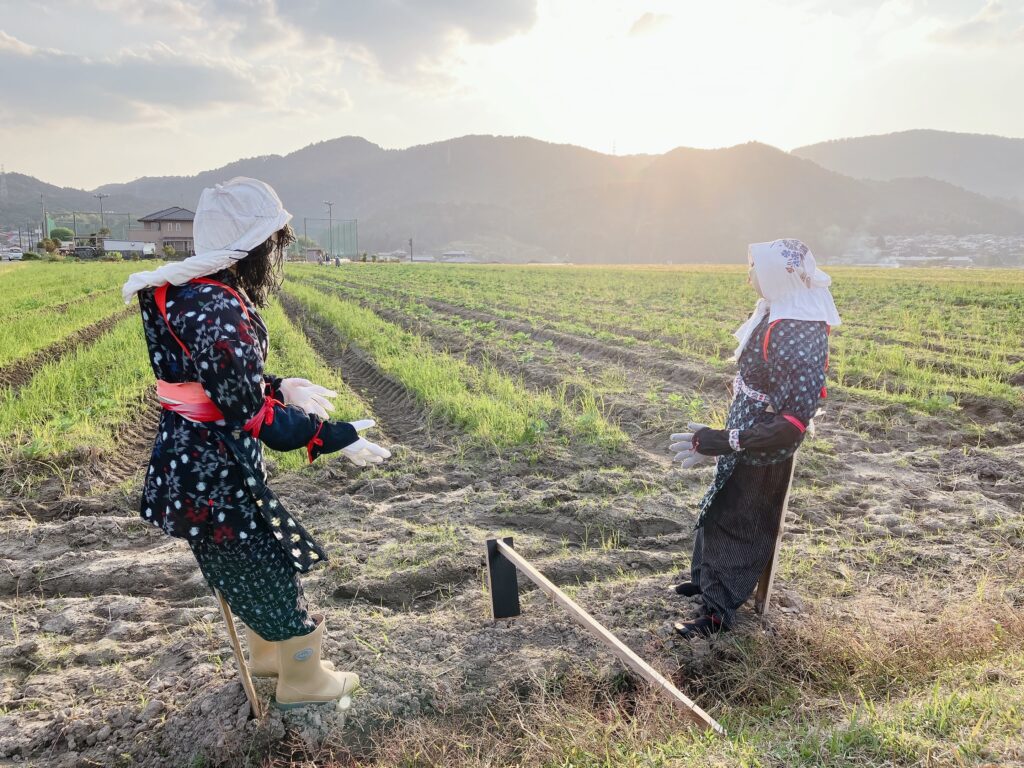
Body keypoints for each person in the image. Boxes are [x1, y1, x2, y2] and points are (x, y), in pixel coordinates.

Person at [122, 177, 390, 706]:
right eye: (273, 244)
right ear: (251, 246)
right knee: (266, 565)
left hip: (191, 463)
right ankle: (304, 683)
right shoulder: (217, 306)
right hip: (217, 471)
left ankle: (268, 656)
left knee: (240, 565)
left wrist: (279, 384)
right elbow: (247, 412)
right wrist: (330, 436)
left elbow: (212, 382)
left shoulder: (182, 293)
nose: (275, 256)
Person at [669, 239, 840, 638]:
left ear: (776, 276)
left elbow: (791, 422)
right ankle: (706, 582)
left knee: (739, 521)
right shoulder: (779, 312)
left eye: (753, 268)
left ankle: (718, 613)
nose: (748, 276)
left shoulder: (797, 330)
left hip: (763, 447)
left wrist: (725, 441)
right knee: (719, 505)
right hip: (745, 433)